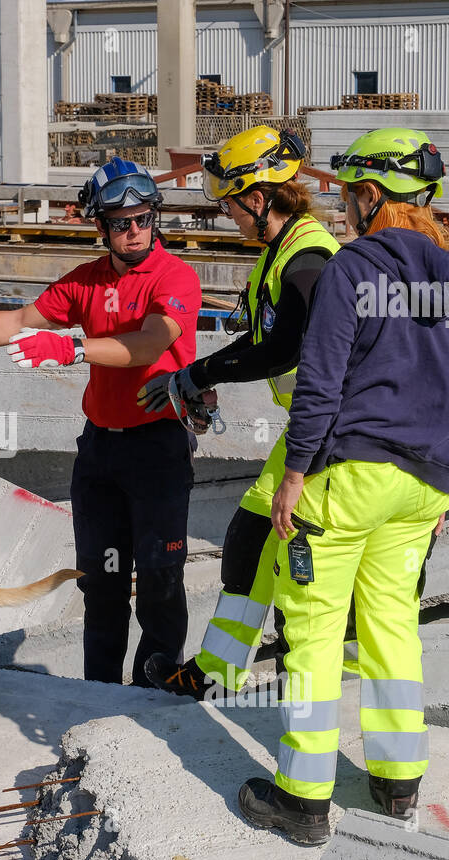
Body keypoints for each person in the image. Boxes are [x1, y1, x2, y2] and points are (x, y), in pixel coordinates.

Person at [237, 128, 449, 845]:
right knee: (391, 628)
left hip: (349, 481)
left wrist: (294, 474)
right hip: (423, 487)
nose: (343, 211)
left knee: (311, 634)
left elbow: (320, 383)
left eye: (349, 198)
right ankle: (398, 782)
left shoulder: (353, 269)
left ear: (373, 196)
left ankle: (303, 801)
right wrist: (444, 487)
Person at [0, 158, 203, 686]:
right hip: (101, 453)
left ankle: (155, 690)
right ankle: (100, 692)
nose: (134, 232)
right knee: (101, 583)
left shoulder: (174, 277)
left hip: (158, 449)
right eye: (121, 223)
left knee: (161, 580)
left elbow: (151, 341)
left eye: (144, 219)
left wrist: (74, 347)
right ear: (100, 226)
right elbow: (17, 321)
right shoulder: (87, 281)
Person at [134, 126, 340, 699]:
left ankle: (300, 685)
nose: (227, 213)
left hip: (328, 433)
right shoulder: (285, 252)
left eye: (231, 202)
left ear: (259, 197)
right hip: (312, 428)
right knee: (251, 542)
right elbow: (262, 337)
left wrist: (199, 373)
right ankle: (216, 674)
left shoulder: (308, 261)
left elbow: (285, 349)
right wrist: (202, 373)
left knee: (292, 560)